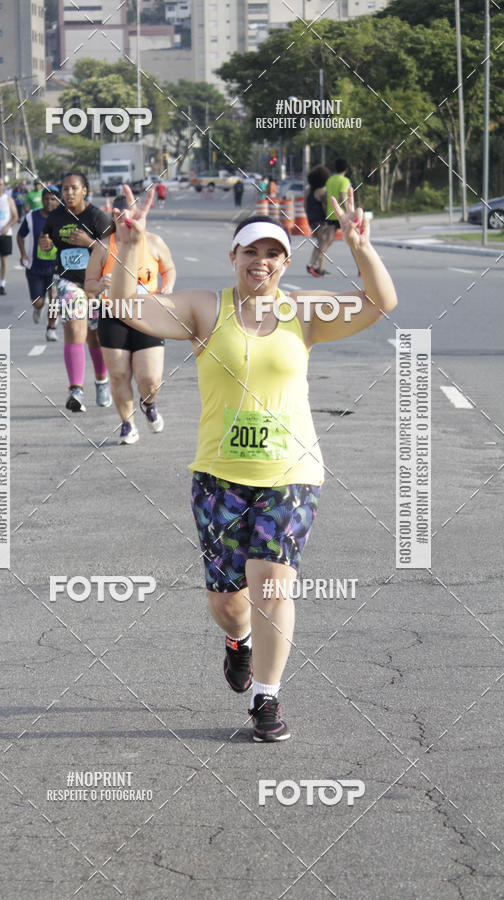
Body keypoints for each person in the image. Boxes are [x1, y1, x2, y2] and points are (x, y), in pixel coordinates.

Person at [108, 184, 397, 742]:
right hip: (219, 476)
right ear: (234, 258)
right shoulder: (204, 308)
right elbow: (127, 309)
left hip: (291, 473)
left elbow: (379, 304)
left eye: (273, 253)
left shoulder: (304, 313)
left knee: (271, 585)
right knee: (229, 605)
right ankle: (238, 642)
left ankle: (268, 697)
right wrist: (130, 246)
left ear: (285, 263)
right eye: (251, 252)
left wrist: (360, 246)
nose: (260, 262)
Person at [85, 193, 176, 443]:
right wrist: (99, 283)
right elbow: (89, 284)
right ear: (114, 218)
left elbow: (169, 268)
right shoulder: (104, 247)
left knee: (149, 377)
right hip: (112, 315)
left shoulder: (154, 242)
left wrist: (167, 287)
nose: (127, 222)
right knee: (118, 375)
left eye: (131, 217)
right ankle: (128, 424)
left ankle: (149, 403)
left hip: (147, 313)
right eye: (121, 217)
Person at [38, 171, 111, 412]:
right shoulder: (55, 217)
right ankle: (75, 390)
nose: (68, 192)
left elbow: (114, 252)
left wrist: (89, 243)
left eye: (74, 188)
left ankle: (102, 381)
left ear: (84, 191)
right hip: (67, 281)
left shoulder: (97, 217)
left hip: (96, 283)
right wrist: (45, 244)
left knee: (95, 335)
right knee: (74, 328)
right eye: (65, 188)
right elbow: (46, 242)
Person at [17, 185, 60, 341]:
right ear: (41, 200)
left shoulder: (63, 218)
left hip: (55, 267)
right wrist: (23, 254)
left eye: (53, 199)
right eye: (46, 199)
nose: (49, 202)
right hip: (34, 267)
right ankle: (39, 308)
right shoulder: (31, 217)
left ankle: (51, 328)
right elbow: (20, 236)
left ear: (59, 201)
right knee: (37, 302)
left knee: (54, 298)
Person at [304, 164, 332, 277]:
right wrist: (329, 217)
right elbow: (325, 206)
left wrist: (308, 215)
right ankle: (313, 264)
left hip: (311, 219)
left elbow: (305, 204)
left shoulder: (308, 190)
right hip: (320, 220)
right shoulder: (322, 191)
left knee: (320, 242)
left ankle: (317, 266)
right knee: (323, 243)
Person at [324, 158, 351, 255]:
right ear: (346, 169)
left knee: (328, 241)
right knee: (352, 241)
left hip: (331, 213)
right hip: (342, 214)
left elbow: (325, 197)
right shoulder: (345, 181)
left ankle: (319, 264)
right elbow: (342, 196)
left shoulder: (329, 180)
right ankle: (360, 266)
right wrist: (349, 210)